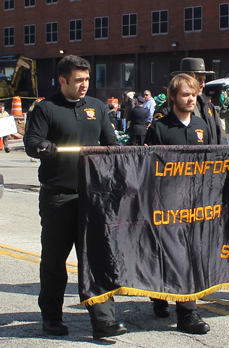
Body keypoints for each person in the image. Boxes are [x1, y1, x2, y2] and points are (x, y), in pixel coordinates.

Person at [23, 55, 126, 338]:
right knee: (55, 260)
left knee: (96, 259)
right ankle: (52, 317)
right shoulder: (46, 108)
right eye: (79, 80)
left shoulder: (97, 107)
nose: (84, 85)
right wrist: (44, 146)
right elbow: (31, 142)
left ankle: (103, 321)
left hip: (94, 196)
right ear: (63, 80)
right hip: (59, 196)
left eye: (87, 79)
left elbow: (112, 144)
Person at [144, 73, 210, 334]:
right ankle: (159, 294)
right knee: (163, 254)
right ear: (172, 97)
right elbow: (146, 167)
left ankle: (187, 312)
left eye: (194, 94)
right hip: (165, 203)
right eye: (185, 94)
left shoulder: (202, 126)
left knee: (189, 257)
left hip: (194, 203)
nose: (191, 99)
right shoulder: (159, 128)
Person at [156, 57, 223, 145]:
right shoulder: (166, 111)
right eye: (198, 80)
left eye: (204, 80)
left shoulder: (208, 106)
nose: (203, 84)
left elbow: (218, 139)